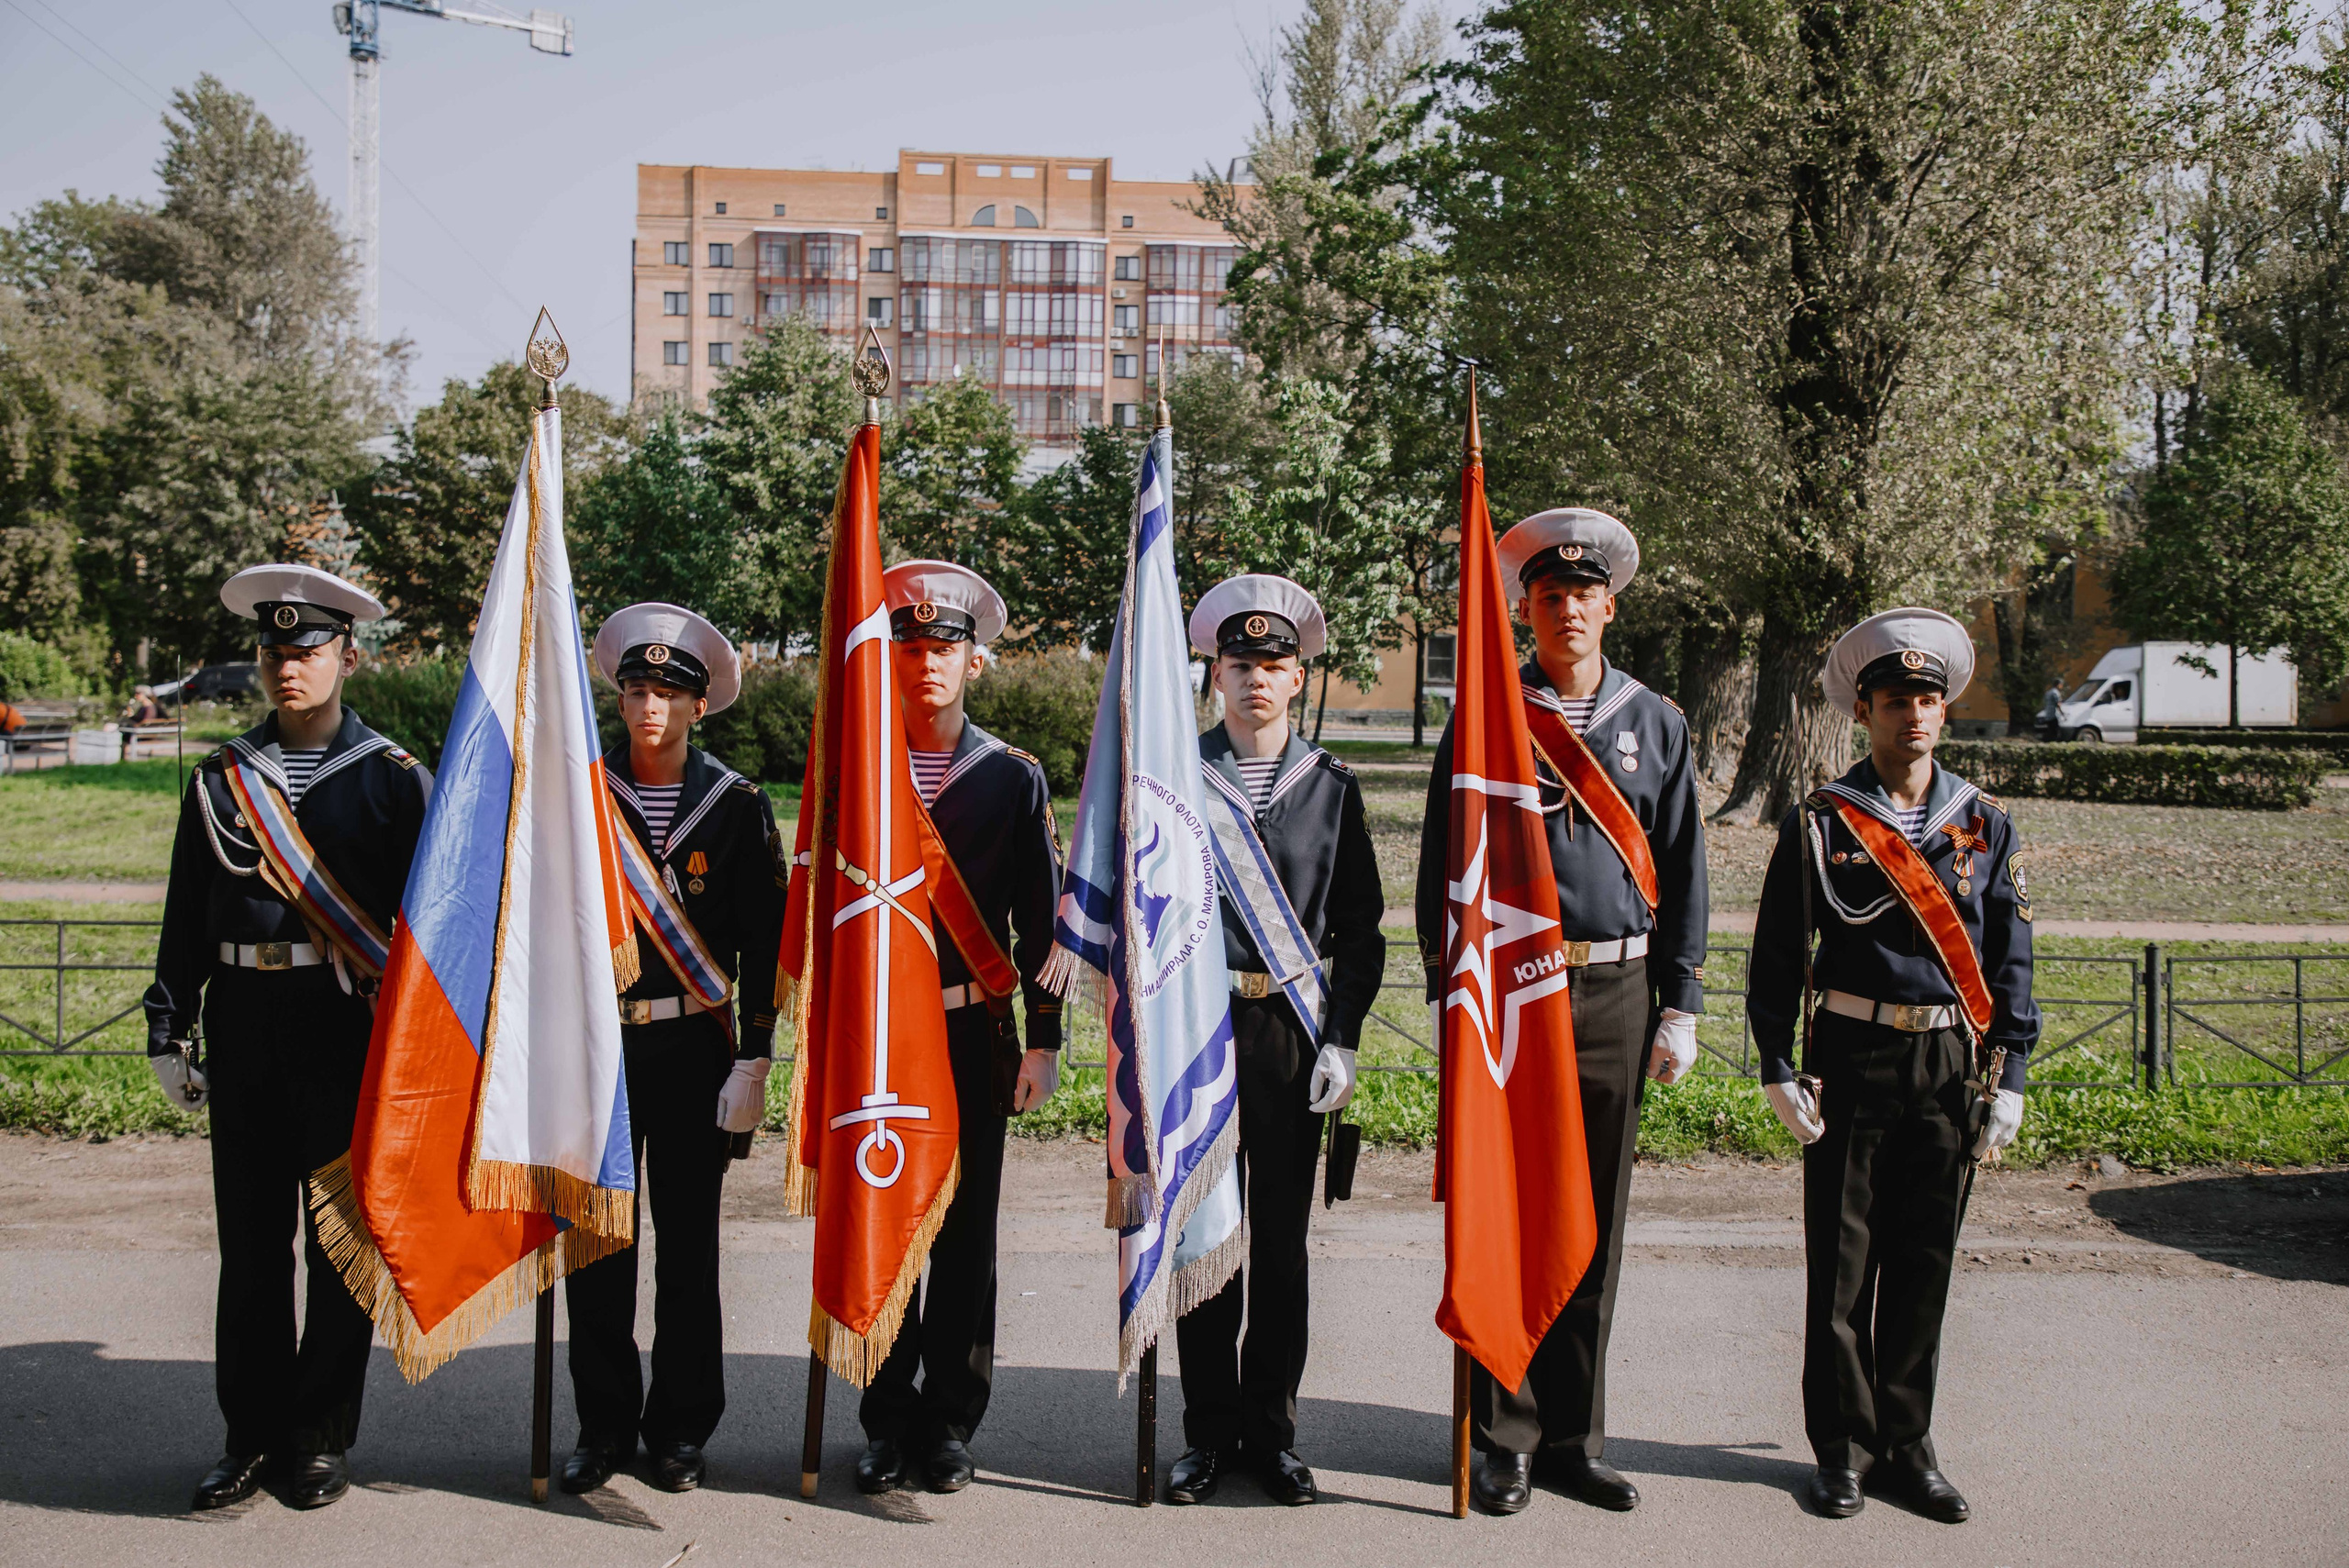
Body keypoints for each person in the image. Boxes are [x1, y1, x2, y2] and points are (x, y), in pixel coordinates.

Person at [1416, 508, 1709, 1517]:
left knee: (1597, 1223)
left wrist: (1683, 1001)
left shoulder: (1656, 721)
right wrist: (1448, 987)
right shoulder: (1491, 713)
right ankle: (1505, 1436)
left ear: (1609, 607)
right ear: (1526, 610)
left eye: (1584, 595)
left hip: (1618, 991)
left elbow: (1684, 870)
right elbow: (1440, 866)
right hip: (1511, 993)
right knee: (1512, 1208)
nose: (1567, 610)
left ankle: (1576, 1437)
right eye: (1548, 597)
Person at [142, 563, 431, 1512]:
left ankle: (316, 1438)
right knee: (251, 1247)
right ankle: (248, 1437)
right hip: (244, 1020)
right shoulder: (223, 775)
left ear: (348, 656)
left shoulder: (393, 782)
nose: (288, 666)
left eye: (306, 649)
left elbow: (428, 932)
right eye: (274, 651)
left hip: (342, 1028)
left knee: (336, 1242)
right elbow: (189, 908)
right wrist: (167, 1018)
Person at [1746, 607, 2035, 1525]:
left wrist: (2013, 1074)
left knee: (1923, 1261)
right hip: (1851, 1052)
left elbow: (2011, 958)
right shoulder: (1823, 820)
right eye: (1893, 699)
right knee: (1842, 1264)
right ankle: (1841, 1447)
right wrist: (1775, 1061)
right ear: (1861, 711)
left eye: (1927, 697)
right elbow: (1776, 953)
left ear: (1944, 710)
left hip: (1949, 1058)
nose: (1912, 713)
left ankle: (1908, 1443)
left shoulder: (1985, 825)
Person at [1163, 573, 1386, 1508]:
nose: (1258, 677)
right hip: (1202, 1033)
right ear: (1216, 673)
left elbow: (1362, 928)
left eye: (1276, 663)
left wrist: (1342, 1036)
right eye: (1241, 660)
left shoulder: (1332, 789)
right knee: (1205, 1244)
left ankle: (1274, 1433)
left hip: (1292, 1036)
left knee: (1283, 1249)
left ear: (1300, 678)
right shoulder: (1177, 779)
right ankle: (1209, 1434)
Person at [562, 603, 786, 1496]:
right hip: (597, 1051)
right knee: (598, 1248)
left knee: (688, 1250)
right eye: (638, 686)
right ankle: (603, 1425)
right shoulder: (578, 796)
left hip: (695, 1047)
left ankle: (682, 1426)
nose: (651, 702)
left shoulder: (734, 805)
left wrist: (754, 1057)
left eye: (671, 690)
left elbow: (762, 944)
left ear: (700, 706)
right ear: (618, 696)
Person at [854, 562, 1066, 1496]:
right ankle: (882, 1413)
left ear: (973, 662)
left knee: (965, 1231)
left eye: (943, 647)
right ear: (889, 656)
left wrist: (1045, 1036)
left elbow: (1041, 919)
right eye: (909, 645)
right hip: (874, 1035)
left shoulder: (1012, 777)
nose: (926, 662)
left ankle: (947, 1419)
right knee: (881, 1219)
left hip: (969, 1028)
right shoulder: (856, 771)